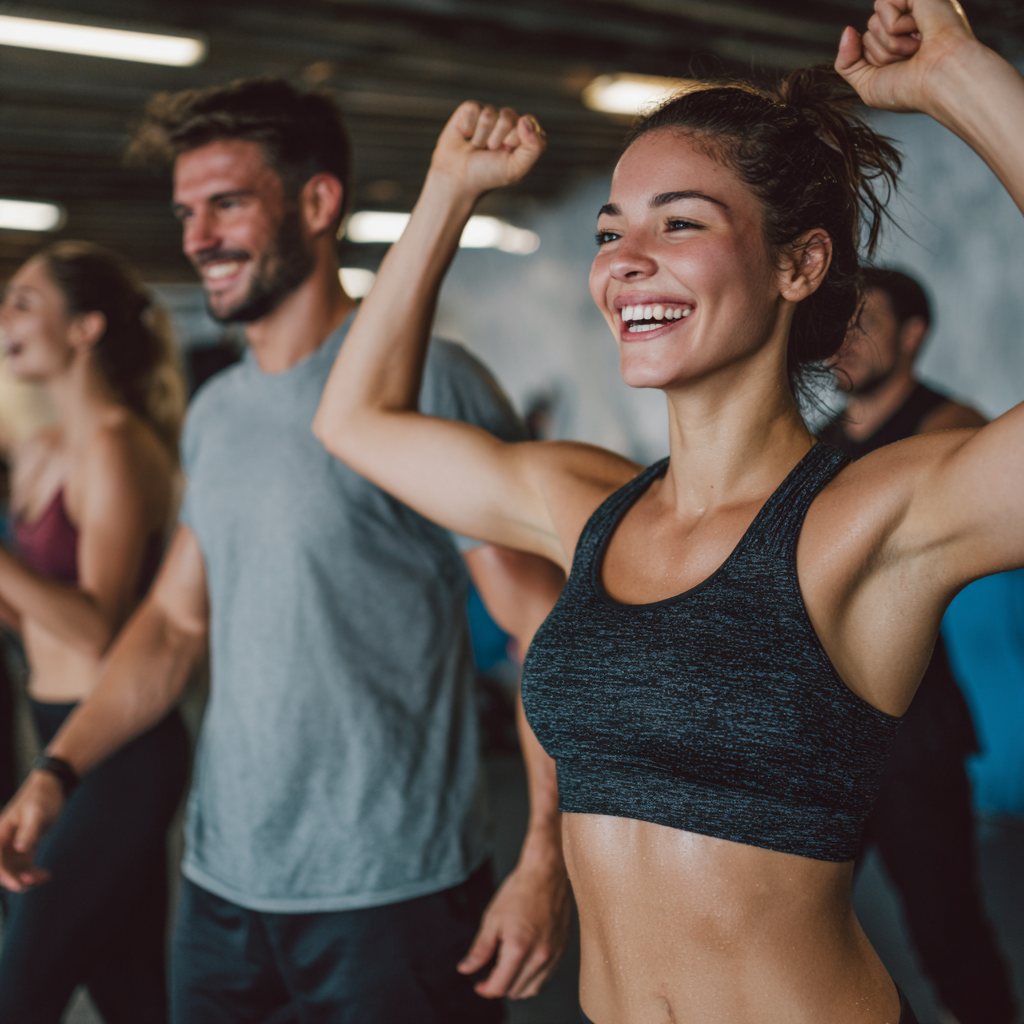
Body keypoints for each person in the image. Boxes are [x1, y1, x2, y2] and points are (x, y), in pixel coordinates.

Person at [311, 0, 1024, 1020]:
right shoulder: (584, 503)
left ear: (798, 264)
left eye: (678, 222)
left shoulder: (872, 517)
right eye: (611, 230)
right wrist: (446, 193)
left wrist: (958, 76)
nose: (623, 259)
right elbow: (356, 419)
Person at [0, 80, 569, 1023]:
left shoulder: (429, 378)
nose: (196, 237)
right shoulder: (216, 411)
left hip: (393, 896)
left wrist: (548, 855)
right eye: (186, 211)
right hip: (223, 888)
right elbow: (176, 625)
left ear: (318, 203)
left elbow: (540, 625)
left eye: (227, 203)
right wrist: (58, 771)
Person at [0, 241, 188, 1024]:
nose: (3, 316)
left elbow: (96, 628)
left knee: (22, 990)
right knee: (129, 989)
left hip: (115, 750)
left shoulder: (116, 444)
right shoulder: (39, 451)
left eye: (24, 302)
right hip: (48, 722)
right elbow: (30, 614)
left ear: (86, 328)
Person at [822, 268, 1015, 1024]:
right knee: (786, 926)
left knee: (946, 934)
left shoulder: (951, 425)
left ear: (913, 335)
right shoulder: (819, 443)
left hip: (912, 735)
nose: (844, 338)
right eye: (837, 321)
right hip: (823, 731)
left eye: (865, 320)